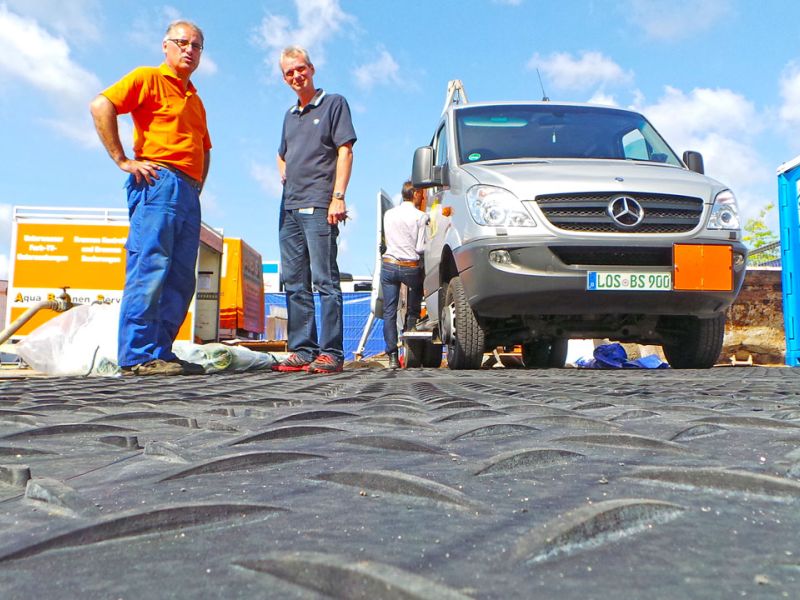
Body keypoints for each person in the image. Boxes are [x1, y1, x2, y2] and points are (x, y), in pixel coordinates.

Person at [89, 20, 211, 376]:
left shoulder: (195, 99)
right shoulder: (147, 78)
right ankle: (137, 355)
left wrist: (198, 182)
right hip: (157, 180)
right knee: (150, 266)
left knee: (180, 276)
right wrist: (122, 159)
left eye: (197, 45)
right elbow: (101, 105)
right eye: (182, 42)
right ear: (165, 45)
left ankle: (161, 352)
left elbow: (205, 146)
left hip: (188, 190)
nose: (189, 49)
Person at [273, 46, 356, 374]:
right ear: (284, 78)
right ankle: (302, 349)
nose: (296, 76)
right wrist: (283, 168)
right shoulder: (289, 116)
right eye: (289, 72)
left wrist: (338, 197)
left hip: (319, 203)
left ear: (312, 68)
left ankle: (331, 352)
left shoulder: (334, 103)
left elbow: (345, 151)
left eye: (300, 69)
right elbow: (281, 153)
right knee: (294, 282)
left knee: (324, 280)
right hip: (289, 208)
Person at [381, 181, 428, 369]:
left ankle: (392, 356)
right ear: (416, 194)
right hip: (410, 266)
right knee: (415, 299)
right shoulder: (421, 216)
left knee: (389, 311)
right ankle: (410, 328)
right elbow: (420, 248)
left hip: (389, 265)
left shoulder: (389, 214)